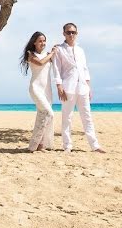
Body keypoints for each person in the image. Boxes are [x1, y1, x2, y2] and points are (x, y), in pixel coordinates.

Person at [51, 23, 105, 153]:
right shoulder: (59, 49)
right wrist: (59, 86)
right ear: (63, 33)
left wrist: (88, 87)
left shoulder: (81, 50)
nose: (71, 35)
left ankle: (94, 145)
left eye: (73, 32)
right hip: (67, 88)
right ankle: (67, 146)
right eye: (68, 32)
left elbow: (85, 69)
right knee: (67, 118)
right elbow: (56, 69)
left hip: (83, 88)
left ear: (77, 33)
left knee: (87, 117)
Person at [20, 31, 55, 152]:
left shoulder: (47, 55)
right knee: (49, 113)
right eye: (40, 41)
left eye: (44, 40)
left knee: (42, 116)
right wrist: (52, 54)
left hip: (47, 90)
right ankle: (33, 146)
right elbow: (40, 62)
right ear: (34, 42)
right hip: (36, 88)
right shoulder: (31, 54)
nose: (43, 43)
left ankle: (42, 145)